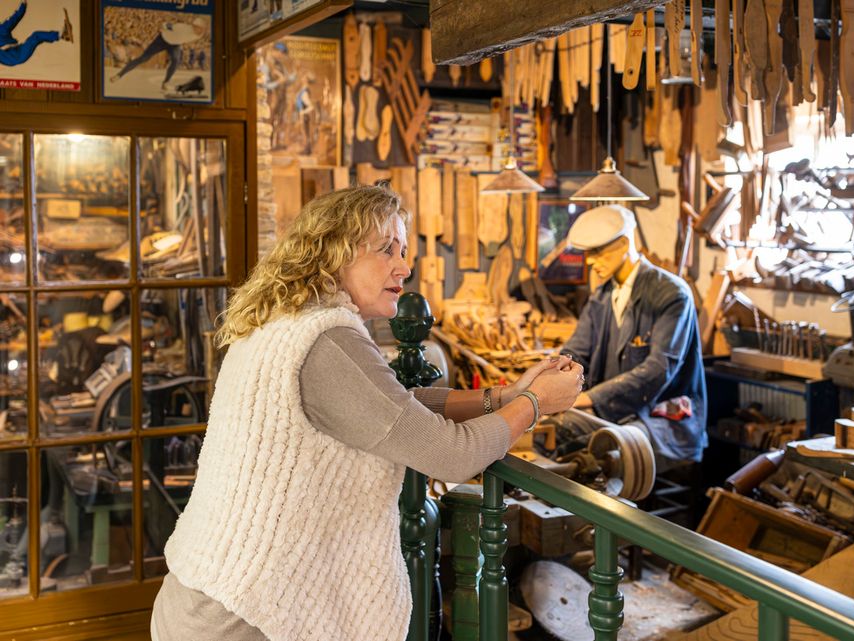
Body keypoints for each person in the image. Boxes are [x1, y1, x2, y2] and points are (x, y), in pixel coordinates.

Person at [150, 183, 583, 641]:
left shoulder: (289, 321)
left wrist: (503, 395)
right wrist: (535, 404)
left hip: (207, 592)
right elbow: (450, 455)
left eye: (403, 250)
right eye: (386, 250)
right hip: (246, 616)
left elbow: (390, 406)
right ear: (334, 254)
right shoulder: (327, 341)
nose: (405, 265)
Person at [556, 204, 707, 472]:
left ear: (624, 243)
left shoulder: (671, 295)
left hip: (662, 416)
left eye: (597, 251)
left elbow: (657, 369)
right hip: (614, 409)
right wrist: (549, 379)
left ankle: (598, 512)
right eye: (588, 253)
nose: (590, 260)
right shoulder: (603, 295)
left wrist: (588, 399)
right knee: (553, 428)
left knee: (607, 448)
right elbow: (576, 352)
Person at [109, 16, 207, 92]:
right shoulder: (182, 27)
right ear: (193, 26)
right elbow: (166, 24)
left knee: (176, 61)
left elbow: (186, 39)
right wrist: (164, 26)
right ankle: (119, 75)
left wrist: (179, 43)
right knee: (143, 58)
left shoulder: (199, 35)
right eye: (198, 28)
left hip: (175, 44)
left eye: (201, 29)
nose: (199, 31)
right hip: (163, 40)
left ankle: (165, 83)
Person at [0, 3, 72, 67]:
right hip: (16, 57)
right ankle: (62, 35)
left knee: (38, 36)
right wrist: (12, 45)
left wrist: (23, 4)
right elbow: (5, 48)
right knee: (36, 36)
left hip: (18, 49)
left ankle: (63, 35)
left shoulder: (3, 28)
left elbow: (14, 18)